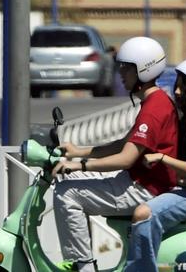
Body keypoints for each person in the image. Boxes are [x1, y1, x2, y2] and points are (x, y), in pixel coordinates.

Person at [50, 37, 178, 272]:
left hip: (145, 188)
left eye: (127, 67)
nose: (121, 73)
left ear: (143, 70)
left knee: (65, 194)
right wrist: (79, 151)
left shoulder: (154, 109)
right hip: (137, 181)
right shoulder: (154, 102)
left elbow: (126, 158)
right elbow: (124, 143)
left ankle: (83, 266)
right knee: (67, 181)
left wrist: (81, 165)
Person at [125, 59, 186, 271]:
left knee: (143, 213)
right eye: (176, 85)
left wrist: (160, 157)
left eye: (183, 88)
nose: (176, 92)